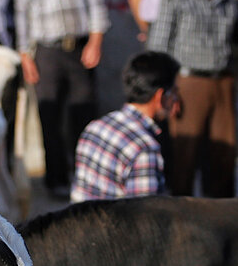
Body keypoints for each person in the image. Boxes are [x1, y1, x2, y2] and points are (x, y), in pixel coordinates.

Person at [14, 0, 109, 199]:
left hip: (79, 48)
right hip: (46, 53)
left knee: (84, 115)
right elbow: (22, 16)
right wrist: (26, 58)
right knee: (50, 117)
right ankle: (55, 180)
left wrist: (95, 42)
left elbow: (96, 1)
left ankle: (85, 177)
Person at [147, 0, 238, 198]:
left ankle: (221, 212)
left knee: (223, 152)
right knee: (184, 153)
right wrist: (164, 90)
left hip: (222, 82)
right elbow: (158, 45)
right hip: (187, 84)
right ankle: (182, 211)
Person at [71, 52, 181, 203]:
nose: (177, 100)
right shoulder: (145, 149)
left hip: (79, 223)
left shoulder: (95, 127)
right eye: (174, 92)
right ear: (160, 96)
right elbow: (145, 218)